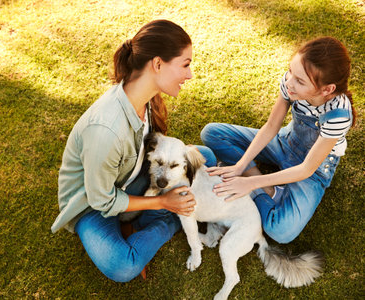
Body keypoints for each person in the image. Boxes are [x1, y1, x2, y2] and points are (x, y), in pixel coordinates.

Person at [51, 20, 217, 282]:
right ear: (158, 64)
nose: (190, 75)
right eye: (185, 64)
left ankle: (141, 218)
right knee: (123, 265)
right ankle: (167, 218)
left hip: (129, 177)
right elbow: (101, 200)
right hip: (93, 204)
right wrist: (163, 202)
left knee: (202, 157)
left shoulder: (144, 97)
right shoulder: (106, 130)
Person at [201, 37, 356, 244]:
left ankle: (260, 189)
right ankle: (266, 188)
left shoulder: (338, 115)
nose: (289, 82)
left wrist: (249, 183)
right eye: (291, 71)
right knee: (212, 133)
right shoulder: (290, 85)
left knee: (281, 231)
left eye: (300, 81)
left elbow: (306, 169)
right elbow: (271, 127)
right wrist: (240, 166)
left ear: (326, 89)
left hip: (312, 169)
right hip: (285, 143)